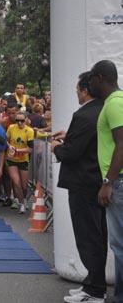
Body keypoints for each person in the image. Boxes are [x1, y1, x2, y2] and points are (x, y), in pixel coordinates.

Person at [51, 71, 106, 303]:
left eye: (77, 89)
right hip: (95, 181)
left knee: (88, 237)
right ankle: (92, 284)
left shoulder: (84, 114)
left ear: (85, 90)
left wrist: (56, 147)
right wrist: (68, 138)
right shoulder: (102, 110)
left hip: (83, 182)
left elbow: (73, 153)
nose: (76, 93)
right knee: (97, 235)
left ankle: (94, 291)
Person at [88, 60, 123, 303]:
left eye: (91, 79)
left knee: (120, 245)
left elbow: (122, 143)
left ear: (100, 78)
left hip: (118, 183)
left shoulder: (114, 104)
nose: (89, 84)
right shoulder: (115, 102)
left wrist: (108, 181)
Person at [6, 111, 34, 213]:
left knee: (24, 185)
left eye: (22, 121)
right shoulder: (11, 127)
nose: (19, 123)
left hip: (23, 160)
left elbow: (30, 149)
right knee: (16, 183)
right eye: (17, 120)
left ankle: (25, 199)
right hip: (11, 159)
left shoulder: (29, 131)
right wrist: (9, 147)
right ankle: (21, 203)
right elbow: (6, 140)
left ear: (26, 120)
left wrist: (18, 151)